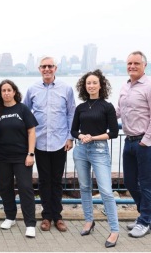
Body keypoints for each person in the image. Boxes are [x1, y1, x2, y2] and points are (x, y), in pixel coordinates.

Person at [23, 56, 75, 232]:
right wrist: (27, 136)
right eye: (44, 66)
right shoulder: (32, 89)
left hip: (60, 142)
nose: (47, 69)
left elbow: (71, 114)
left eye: (50, 66)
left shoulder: (66, 89)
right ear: (39, 69)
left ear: (55, 68)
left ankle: (57, 216)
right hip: (40, 142)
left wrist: (70, 137)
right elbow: (25, 112)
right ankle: (46, 216)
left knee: (57, 180)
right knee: (44, 181)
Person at [71, 69, 119, 247]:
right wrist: (81, 135)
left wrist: (93, 137)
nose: (91, 86)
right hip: (81, 150)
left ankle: (114, 230)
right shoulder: (80, 107)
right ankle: (89, 221)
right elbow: (74, 130)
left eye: (94, 83)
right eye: (88, 83)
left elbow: (113, 133)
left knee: (106, 191)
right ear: (84, 86)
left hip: (99, 150)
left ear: (101, 85)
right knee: (84, 187)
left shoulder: (107, 107)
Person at [0, 79, 38, 238]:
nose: (6, 93)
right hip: (2, 156)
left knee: (25, 188)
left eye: (9, 90)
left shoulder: (23, 109)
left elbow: (31, 132)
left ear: (14, 92)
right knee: (5, 187)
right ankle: (10, 217)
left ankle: (30, 223)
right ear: (0, 93)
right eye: (3, 90)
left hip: (21, 156)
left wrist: (30, 153)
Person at [116, 51, 151, 238]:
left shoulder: (149, 85)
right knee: (130, 181)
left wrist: (146, 141)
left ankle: (145, 221)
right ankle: (146, 215)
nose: (132, 66)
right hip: (128, 141)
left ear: (144, 65)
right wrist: (96, 118)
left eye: (136, 63)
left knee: (146, 184)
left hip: (145, 143)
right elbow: (118, 111)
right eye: (129, 63)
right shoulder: (125, 86)